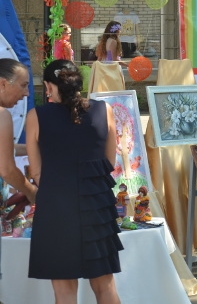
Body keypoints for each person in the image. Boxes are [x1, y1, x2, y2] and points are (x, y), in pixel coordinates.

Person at [26, 59, 122, 304]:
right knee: (105, 287)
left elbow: (36, 172)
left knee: (65, 292)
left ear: (48, 86)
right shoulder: (104, 110)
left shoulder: (37, 115)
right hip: (97, 205)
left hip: (56, 205)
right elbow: (109, 161)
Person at [0, 59, 37, 220]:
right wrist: (31, 191)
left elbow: (6, 149)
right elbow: (7, 169)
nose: (27, 93)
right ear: (3, 85)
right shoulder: (2, 116)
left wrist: (36, 148)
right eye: (23, 85)